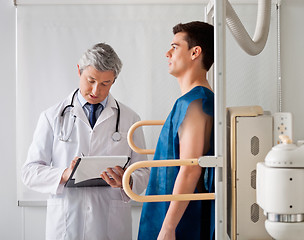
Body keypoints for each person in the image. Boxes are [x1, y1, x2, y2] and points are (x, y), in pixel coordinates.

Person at [22, 43, 150, 240]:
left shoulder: (130, 119)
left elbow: (144, 172)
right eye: (90, 80)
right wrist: (64, 174)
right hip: (67, 224)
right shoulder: (52, 117)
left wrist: (128, 180)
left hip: (110, 226)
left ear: (114, 80)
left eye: (105, 83)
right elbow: (30, 172)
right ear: (79, 71)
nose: (96, 90)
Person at [138, 21, 215, 240]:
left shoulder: (196, 103)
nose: (167, 53)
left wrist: (168, 227)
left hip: (181, 223)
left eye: (175, 46)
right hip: (170, 212)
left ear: (195, 52)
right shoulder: (189, 102)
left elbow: (190, 168)